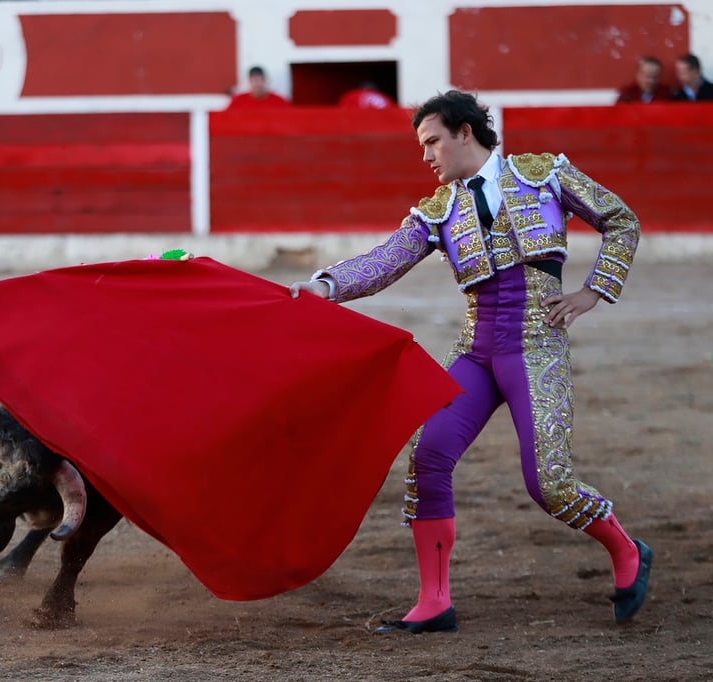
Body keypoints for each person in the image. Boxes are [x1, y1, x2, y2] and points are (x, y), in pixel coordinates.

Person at [289, 90, 651, 634]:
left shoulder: (544, 174)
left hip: (536, 343)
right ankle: (434, 601)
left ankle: (628, 551)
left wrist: (593, 291)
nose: (426, 155)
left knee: (549, 483)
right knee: (429, 454)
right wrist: (324, 285)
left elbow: (621, 220)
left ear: (465, 132)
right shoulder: (437, 210)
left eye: (432, 141)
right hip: (476, 350)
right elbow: (385, 260)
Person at [226, 66, 291, 109]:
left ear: (265, 80)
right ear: (249, 81)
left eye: (260, 80)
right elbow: (226, 118)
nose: (258, 84)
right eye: (254, 80)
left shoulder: (279, 101)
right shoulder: (238, 101)